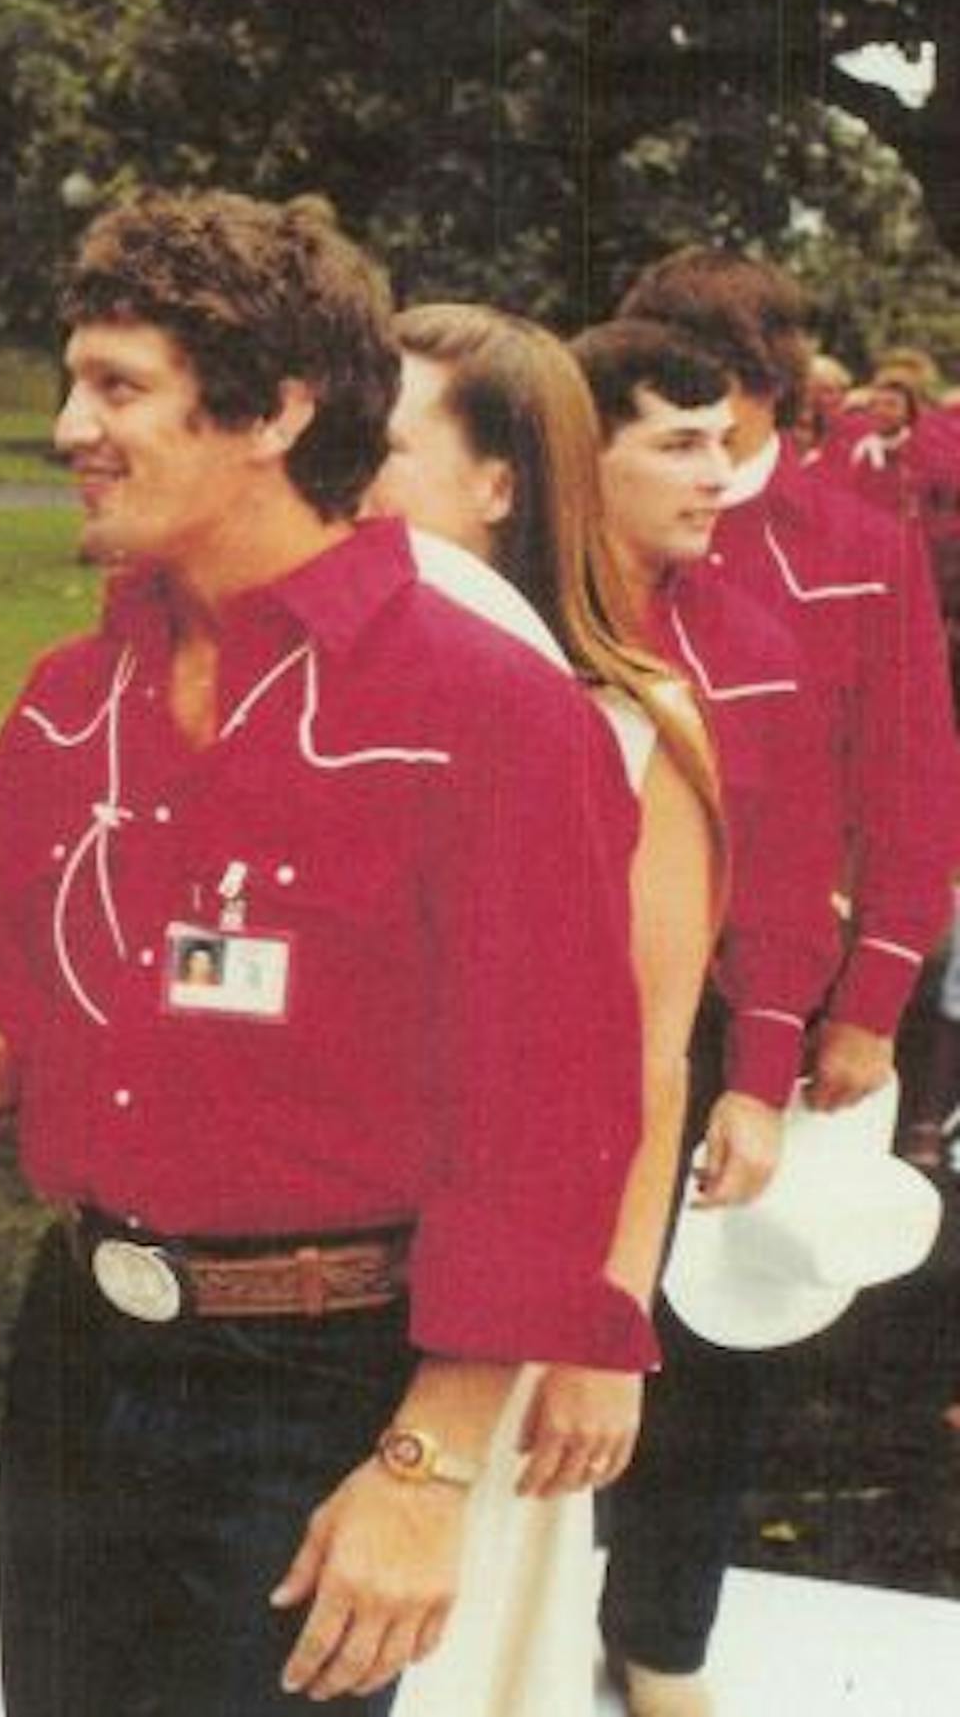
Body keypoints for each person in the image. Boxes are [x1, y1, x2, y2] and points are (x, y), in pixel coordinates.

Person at [0, 191, 654, 1716]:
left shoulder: (490, 712)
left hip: (319, 1391)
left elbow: (548, 1120)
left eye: (117, 387)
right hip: (79, 1356)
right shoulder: (70, 696)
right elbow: (1, 1005)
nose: (69, 428)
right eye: (73, 381)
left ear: (278, 410)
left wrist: (425, 1467)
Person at [595, 248, 960, 1716]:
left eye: (720, 404)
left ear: (767, 390)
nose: (700, 436)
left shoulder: (855, 539)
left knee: (717, 1327)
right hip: (597, 977)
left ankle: (661, 1632)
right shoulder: (593, 515)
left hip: (779, 995)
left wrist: (870, 999)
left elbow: (914, 779)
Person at [366, 303, 729, 1717]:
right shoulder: (327, 689)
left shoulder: (633, 725)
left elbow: (650, 1059)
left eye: (383, 444)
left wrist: (603, 1328)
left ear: (500, 483)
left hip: (516, 1300)